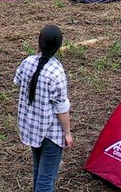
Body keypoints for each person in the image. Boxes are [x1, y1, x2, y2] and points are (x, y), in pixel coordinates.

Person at [14, 25, 73, 192]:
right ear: (58, 46)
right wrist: (67, 133)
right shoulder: (56, 71)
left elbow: (18, 80)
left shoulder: (27, 62)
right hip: (51, 132)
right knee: (46, 180)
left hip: (32, 127)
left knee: (38, 171)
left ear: (39, 42)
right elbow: (61, 107)